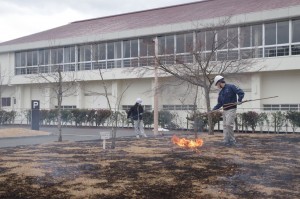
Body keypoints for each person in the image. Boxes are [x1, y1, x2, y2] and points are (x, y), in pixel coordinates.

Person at [212, 75, 244, 146]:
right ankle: (226, 140)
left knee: (229, 125)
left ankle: (232, 141)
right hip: (225, 110)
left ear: (220, 82)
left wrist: (239, 100)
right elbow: (219, 103)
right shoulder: (221, 93)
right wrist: (213, 109)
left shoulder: (231, 86)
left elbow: (241, 92)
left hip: (231, 109)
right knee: (225, 126)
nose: (217, 86)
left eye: (217, 84)